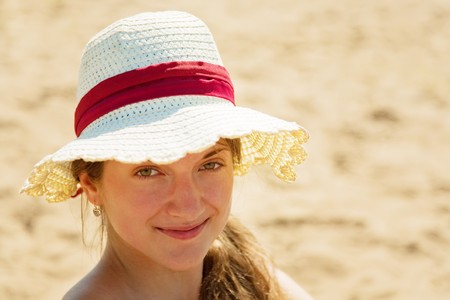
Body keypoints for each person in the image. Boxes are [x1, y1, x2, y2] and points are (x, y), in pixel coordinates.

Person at [21, 11, 312, 300]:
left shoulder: (251, 276)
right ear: (92, 187)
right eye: (148, 171)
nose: (188, 205)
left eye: (209, 164)